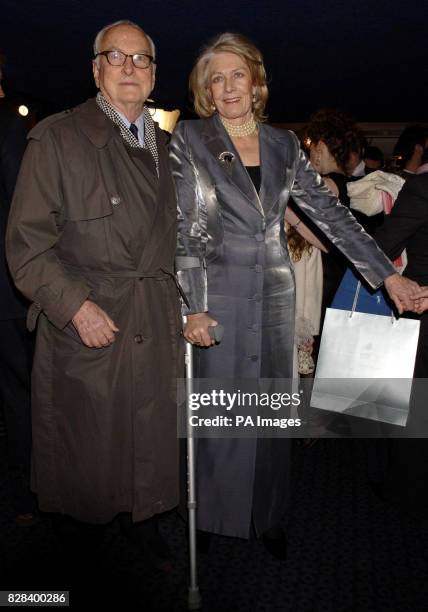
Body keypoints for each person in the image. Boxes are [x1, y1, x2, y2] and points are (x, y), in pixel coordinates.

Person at [169, 32, 419, 557]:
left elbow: (330, 216)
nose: (229, 86)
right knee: (222, 417)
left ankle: (269, 514)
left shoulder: (284, 145)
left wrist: (387, 275)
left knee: (271, 418)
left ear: (256, 82)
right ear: (206, 90)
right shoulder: (190, 139)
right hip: (220, 299)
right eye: (217, 78)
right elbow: (184, 231)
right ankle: (213, 519)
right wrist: (193, 306)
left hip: (276, 297)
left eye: (238, 74)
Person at [6, 20, 182, 565]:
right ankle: (77, 548)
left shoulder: (170, 149)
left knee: (147, 433)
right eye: (116, 57)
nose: (130, 68)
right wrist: (74, 306)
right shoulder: (57, 138)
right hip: (90, 318)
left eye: (141, 60)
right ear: (95, 69)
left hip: (153, 316)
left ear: (154, 76)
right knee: (87, 451)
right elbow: (26, 245)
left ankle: (141, 518)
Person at [0, 54, 37, 525]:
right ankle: (32, 492)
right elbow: (26, 213)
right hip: (9, 287)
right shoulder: (13, 129)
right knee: (20, 393)